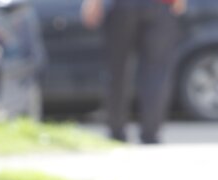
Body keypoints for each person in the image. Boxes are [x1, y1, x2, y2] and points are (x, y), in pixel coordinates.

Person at [80, 0, 187, 144]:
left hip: (124, 6)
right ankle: (150, 133)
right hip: (159, 6)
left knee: (118, 70)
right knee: (156, 72)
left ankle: (117, 132)